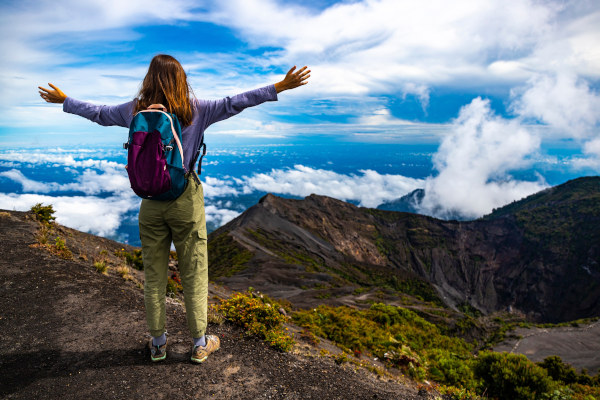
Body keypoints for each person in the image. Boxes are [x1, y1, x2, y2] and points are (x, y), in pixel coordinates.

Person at [38, 54, 310, 363]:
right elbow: (237, 101)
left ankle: (158, 344)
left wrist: (65, 100)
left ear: (149, 79)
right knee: (193, 272)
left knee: (154, 276)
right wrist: (280, 86)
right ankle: (199, 344)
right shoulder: (197, 109)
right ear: (182, 79)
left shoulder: (134, 110)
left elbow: (99, 113)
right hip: (185, 200)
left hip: (151, 202)